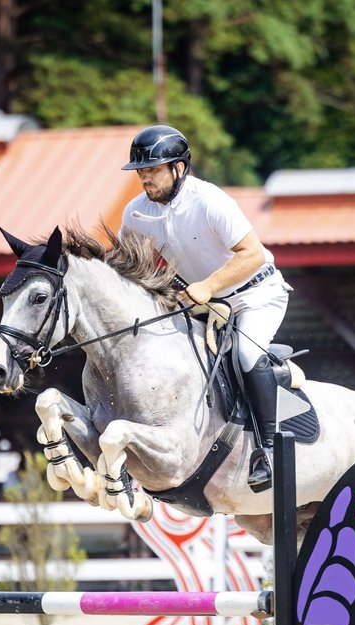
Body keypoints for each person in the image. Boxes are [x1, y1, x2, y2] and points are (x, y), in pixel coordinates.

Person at [119, 124, 291, 492]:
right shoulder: (135, 213)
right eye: (141, 171)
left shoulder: (210, 200)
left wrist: (209, 285)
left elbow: (253, 255)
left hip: (255, 294)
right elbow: (126, 269)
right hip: (204, 303)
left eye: (152, 170)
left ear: (178, 168)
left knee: (245, 354)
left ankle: (268, 451)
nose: (144, 178)